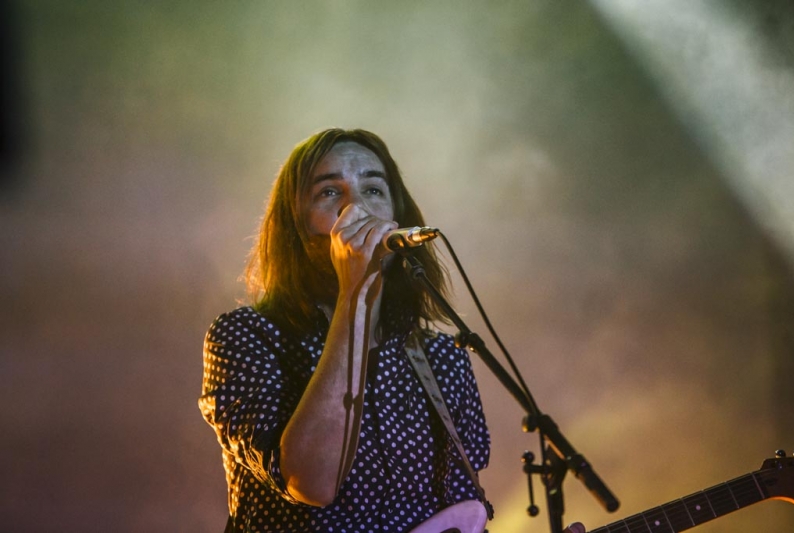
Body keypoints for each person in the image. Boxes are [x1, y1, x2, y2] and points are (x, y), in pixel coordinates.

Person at [199, 128, 584, 533]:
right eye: (330, 192)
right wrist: (355, 294)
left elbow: (462, 512)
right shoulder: (246, 337)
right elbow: (310, 483)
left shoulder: (443, 357)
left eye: (374, 189)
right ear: (296, 227)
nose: (357, 208)